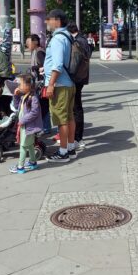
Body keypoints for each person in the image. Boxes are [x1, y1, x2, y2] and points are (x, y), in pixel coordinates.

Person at [44, 9, 77, 163]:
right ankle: (70, 148)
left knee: (61, 119)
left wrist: (50, 85)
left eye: (48, 19)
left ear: (57, 20)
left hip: (59, 84)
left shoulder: (57, 39)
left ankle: (63, 152)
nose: (46, 22)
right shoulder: (68, 36)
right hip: (69, 83)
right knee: (69, 117)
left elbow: (57, 65)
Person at [9, 74, 43, 174]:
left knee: (23, 146)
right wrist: (15, 95)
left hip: (28, 126)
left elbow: (34, 113)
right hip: (25, 126)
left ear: (28, 86)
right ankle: (33, 162)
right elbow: (16, 106)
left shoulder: (33, 98)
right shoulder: (24, 96)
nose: (18, 86)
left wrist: (23, 120)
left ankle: (20, 166)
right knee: (29, 145)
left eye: (21, 84)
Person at [67, 23, 91, 149]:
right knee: (77, 107)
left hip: (76, 78)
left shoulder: (77, 42)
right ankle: (77, 136)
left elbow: (74, 63)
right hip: (82, 77)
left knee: (75, 108)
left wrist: (68, 75)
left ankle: (77, 137)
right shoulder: (84, 40)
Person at [26, 33, 52, 133]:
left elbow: (44, 66)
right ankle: (45, 127)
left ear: (35, 42)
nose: (27, 44)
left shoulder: (39, 52)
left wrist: (33, 68)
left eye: (29, 42)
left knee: (43, 105)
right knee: (42, 105)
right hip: (39, 82)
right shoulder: (35, 51)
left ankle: (46, 128)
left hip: (41, 83)